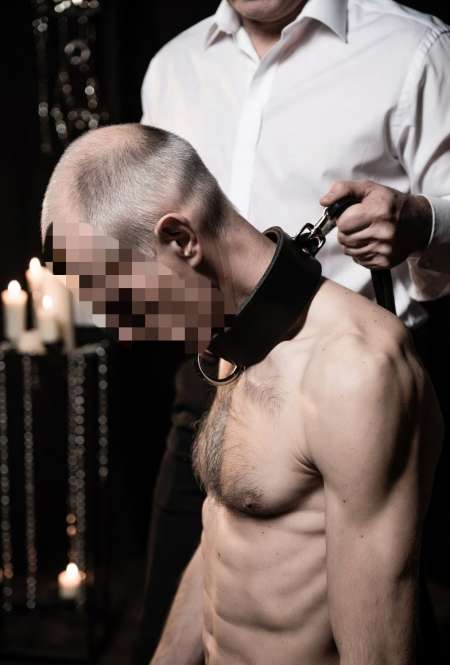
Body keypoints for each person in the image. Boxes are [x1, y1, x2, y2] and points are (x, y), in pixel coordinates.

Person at [41, 123, 443, 665]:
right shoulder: (233, 336)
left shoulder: (356, 374)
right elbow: (224, 533)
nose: (126, 336)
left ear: (181, 240)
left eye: (122, 304)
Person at [136, 0, 450, 660]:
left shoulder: (414, 49)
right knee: (169, 627)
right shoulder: (172, 68)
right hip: (210, 381)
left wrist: (423, 222)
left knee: (370, 634)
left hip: (346, 397)